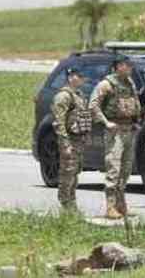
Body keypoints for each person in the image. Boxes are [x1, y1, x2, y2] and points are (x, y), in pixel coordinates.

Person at [90, 56, 145, 220]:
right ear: (118, 67)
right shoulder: (106, 85)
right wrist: (105, 122)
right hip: (114, 131)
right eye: (126, 65)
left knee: (125, 168)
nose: (130, 68)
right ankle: (110, 206)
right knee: (114, 167)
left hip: (129, 130)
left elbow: (135, 104)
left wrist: (141, 118)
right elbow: (93, 105)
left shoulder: (130, 84)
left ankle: (121, 204)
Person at [51, 67, 92, 213]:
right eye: (78, 76)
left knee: (74, 174)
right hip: (69, 140)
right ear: (71, 77)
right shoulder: (63, 96)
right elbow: (59, 121)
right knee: (67, 173)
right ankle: (65, 204)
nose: (81, 79)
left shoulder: (79, 95)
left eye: (82, 77)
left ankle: (72, 205)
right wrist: (65, 143)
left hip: (78, 140)